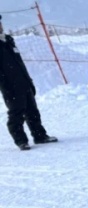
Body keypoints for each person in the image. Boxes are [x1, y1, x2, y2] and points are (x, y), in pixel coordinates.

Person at [0, 15, 57, 151]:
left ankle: (40, 136)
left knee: (32, 111)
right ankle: (21, 141)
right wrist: (6, 88)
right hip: (10, 86)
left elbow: (20, 63)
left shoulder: (7, 40)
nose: (0, 25)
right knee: (16, 114)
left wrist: (28, 81)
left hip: (23, 82)